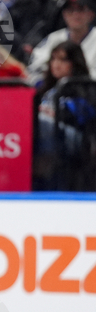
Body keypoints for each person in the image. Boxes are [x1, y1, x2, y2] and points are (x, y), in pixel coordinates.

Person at [34, 41, 96, 190]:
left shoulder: (85, 87)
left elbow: (86, 116)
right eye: (54, 59)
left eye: (63, 60)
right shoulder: (43, 88)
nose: (56, 64)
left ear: (74, 63)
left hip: (76, 138)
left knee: (42, 122)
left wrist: (58, 114)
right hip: (49, 138)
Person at [29, 0, 96, 83]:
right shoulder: (53, 38)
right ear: (64, 14)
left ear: (91, 14)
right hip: (56, 90)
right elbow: (34, 69)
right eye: (70, 10)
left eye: (80, 10)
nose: (75, 15)